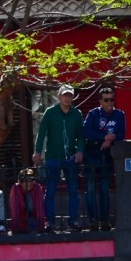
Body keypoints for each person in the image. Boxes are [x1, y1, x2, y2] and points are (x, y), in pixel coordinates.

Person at [33, 84, 84, 230]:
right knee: (51, 190)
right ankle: (50, 221)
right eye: (65, 95)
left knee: (73, 190)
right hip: (53, 156)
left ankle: (73, 220)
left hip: (71, 156)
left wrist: (80, 150)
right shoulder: (50, 112)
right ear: (59, 96)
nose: (67, 98)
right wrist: (37, 151)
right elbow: (41, 133)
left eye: (70, 95)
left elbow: (81, 135)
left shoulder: (77, 114)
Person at [82, 86, 125, 230]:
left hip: (106, 157)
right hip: (91, 155)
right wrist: (104, 137)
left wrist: (110, 139)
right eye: (106, 100)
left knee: (105, 189)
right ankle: (93, 221)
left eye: (112, 99)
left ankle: (105, 220)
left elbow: (121, 133)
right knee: (90, 188)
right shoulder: (93, 114)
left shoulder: (119, 114)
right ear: (100, 101)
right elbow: (86, 132)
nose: (109, 102)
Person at [9, 168, 47, 233]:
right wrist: (16, 228)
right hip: (21, 221)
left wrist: (40, 227)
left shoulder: (37, 187)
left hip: (34, 220)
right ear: (20, 182)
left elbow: (40, 208)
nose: (29, 183)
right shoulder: (15, 189)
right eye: (25, 181)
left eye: (31, 180)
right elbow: (14, 209)